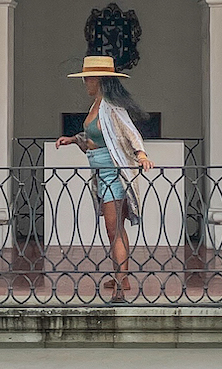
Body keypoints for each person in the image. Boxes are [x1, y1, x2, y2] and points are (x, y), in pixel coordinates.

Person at [55, 54, 152, 299]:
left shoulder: (112, 107)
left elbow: (130, 133)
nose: (85, 82)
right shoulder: (96, 106)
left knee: (113, 229)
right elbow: (95, 138)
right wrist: (74, 140)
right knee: (115, 227)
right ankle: (122, 277)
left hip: (113, 173)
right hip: (100, 172)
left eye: (88, 78)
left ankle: (120, 285)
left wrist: (141, 154)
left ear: (98, 79)